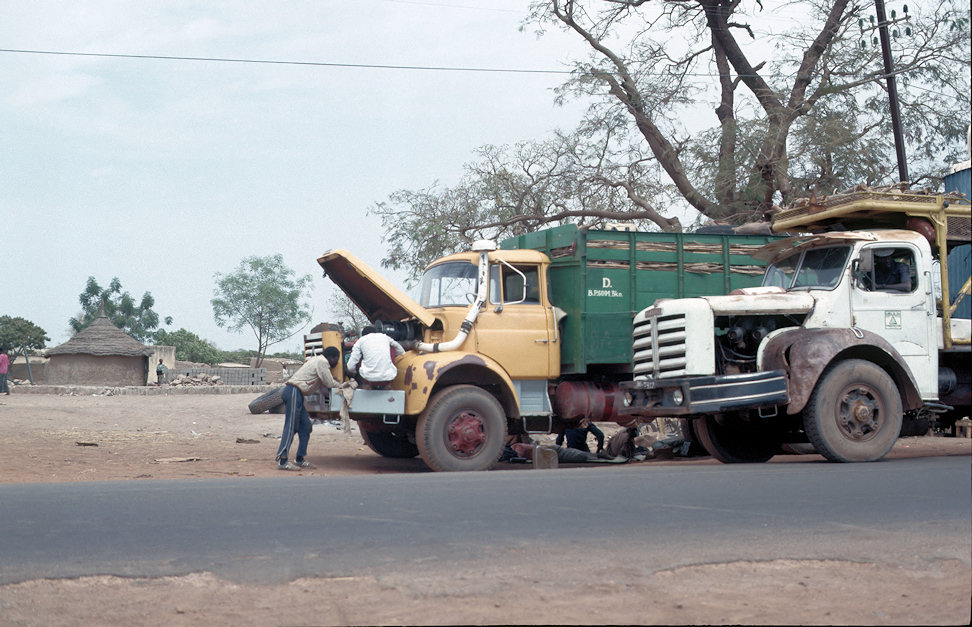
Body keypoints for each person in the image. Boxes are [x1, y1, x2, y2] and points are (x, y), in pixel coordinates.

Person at [276, 346, 342, 471]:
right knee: (291, 427)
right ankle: (283, 461)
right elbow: (329, 383)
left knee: (306, 427)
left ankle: (299, 459)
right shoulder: (322, 362)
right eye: (336, 359)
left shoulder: (316, 360)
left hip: (297, 394)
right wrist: (343, 385)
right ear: (331, 357)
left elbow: (322, 385)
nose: (336, 362)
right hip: (294, 391)